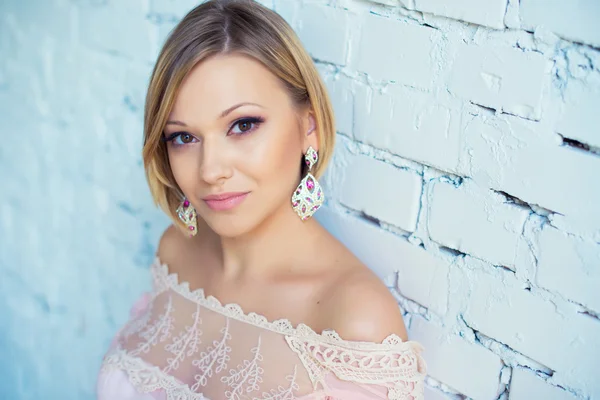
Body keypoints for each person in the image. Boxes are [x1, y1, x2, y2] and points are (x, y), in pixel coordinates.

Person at [96, 0, 427, 398]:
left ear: (310, 127)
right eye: (183, 137)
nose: (210, 170)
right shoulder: (175, 252)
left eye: (243, 125)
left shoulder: (354, 322)